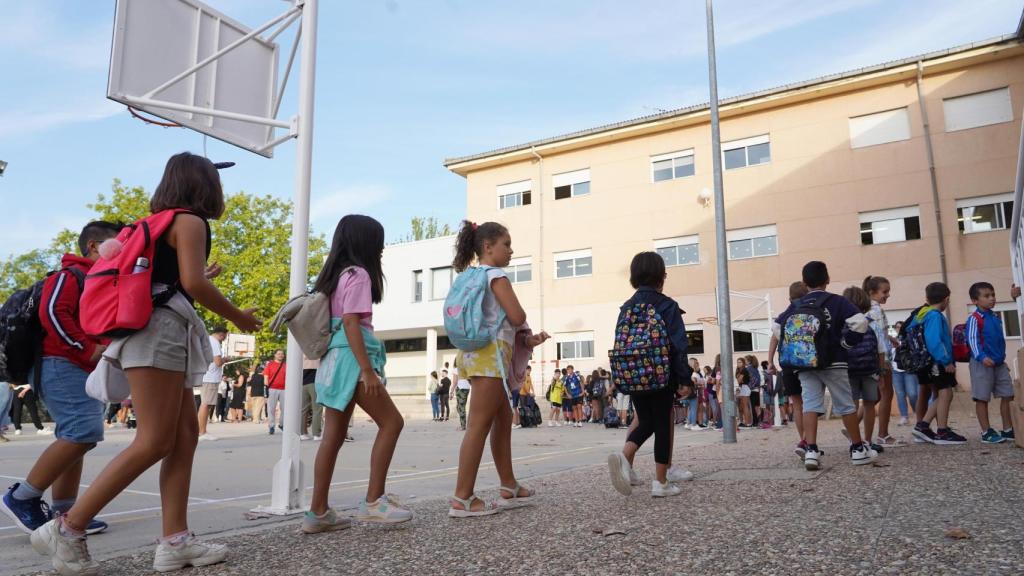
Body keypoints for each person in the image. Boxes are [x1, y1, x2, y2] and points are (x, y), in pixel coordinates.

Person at [31, 152, 261, 575]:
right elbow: (190, 284)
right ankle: (69, 528)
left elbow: (173, 281)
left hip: (148, 332)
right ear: (202, 184)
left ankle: (175, 540)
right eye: (216, 180)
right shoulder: (190, 221)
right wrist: (239, 317)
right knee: (154, 440)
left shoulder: (156, 223)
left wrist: (197, 280)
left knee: (185, 435)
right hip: (159, 335)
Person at [1, 221, 121, 538]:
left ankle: (64, 512)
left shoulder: (97, 279)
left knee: (76, 435)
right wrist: (86, 348)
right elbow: (53, 313)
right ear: (94, 246)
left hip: (75, 365)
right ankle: (22, 497)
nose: (122, 249)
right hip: (59, 362)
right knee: (83, 431)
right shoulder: (70, 275)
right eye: (117, 242)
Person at [305, 214, 413, 533]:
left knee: (332, 437)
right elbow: (352, 322)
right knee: (392, 422)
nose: (381, 249)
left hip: (333, 361)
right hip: (353, 360)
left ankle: (318, 512)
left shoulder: (335, 276)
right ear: (366, 243)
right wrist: (367, 370)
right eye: (378, 243)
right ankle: (373, 501)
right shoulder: (360, 274)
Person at [448, 220, 549, 517]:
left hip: (473, 354)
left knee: (503, 420)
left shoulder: (469, 276)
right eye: (506, 244)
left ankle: (508, 484)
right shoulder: (497, 276)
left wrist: (528, 338)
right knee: (478, 426)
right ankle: (462, 498)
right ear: (488, 247)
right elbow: (517, 315)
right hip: (490, 357)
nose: (511, 250)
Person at [607, 252, 692, 498]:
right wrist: (684, 378)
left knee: (646, 421)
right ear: (661, 277)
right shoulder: (666, 305)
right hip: (660, 374)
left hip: (633, 374)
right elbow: (678, 344)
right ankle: (661, 482)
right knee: (663, 424)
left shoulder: (627, 307)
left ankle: (625, 458)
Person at [776, 261, 873, 470]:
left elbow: (777, 327)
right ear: (827, 279)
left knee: (810, 404)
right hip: (835, 360)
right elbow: (860, 322)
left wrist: (798, 347)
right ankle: (857, 449)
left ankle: (811, 450)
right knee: (846, 404)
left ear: (804, 282)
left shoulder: (797, 304)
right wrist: (846, 343)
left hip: (806, 363)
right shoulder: (837, 301)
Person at [908, 283, 967, 446]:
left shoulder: (921, 314)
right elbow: (934, 341)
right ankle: (941, 431)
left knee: (945, 393)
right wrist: (946, 360)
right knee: (946, 392)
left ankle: (924, 426)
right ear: (946, 299)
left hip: (925, 362)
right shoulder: (934, 315)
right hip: (937, 361)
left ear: (927, 298)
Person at [965, 282, 1015, 444]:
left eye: (993, 295)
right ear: (975, 300)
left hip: (999, 363)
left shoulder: (994, 316)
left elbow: (999, 340)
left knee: (1008, 394)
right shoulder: (974, 318)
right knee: (982, 398)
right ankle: (986, 431)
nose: (992, 298)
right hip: (982, 364)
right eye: (986, 296)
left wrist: (1002, 359)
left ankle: (1008, 429)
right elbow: (972, 340)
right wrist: (981, 356)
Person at [768, 281, 809, 455]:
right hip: (809, 365)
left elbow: (774, 339)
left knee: (797, 405)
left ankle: (804, 440)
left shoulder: (783, 316)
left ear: (789, 297)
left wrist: (770, 361)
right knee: (812, 403)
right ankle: (810, 439)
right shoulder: (811, 312)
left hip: (788, 365)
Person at [842, 286, 884, 456]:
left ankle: (855, 441)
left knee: (850, 405)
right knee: (869, 405)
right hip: (869, 370)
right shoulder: (871, 323)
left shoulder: (841, 324)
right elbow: (880, 349)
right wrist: (881, 371)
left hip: (849, 371)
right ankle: (867, 440)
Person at [864, 276, 902, 448]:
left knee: (874, 396)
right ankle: (883, 435)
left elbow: (878, 332)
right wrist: (884, 360)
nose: (888, 295)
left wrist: (891, 339)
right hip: (881, 359)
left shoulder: (864, 309)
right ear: (872, 292)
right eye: (884, 292)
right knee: (887, 393)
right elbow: (879, 336)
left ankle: (852, 426)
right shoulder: (876, 310)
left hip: (870, 358)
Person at [197, 326, 228, 441]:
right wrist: (225, 359)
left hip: (208, 376)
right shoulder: (214, 343)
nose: (225, 338)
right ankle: (202, 432)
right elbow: (218, 362)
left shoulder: (208, 340)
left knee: (206, 404)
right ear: (221, 334)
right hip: (210, 377)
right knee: (206, 404)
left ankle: (201, 430)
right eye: (225, 336)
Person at [889, 321, 919, 427]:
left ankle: (918, 413)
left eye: (900, 327)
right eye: (897, 327)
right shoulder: (891, 341)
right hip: (895, 370)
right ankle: (904, 416)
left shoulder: (908, 338)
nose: (898, 329)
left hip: (908, 370)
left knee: (912, 393)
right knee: (900, 394)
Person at [264, 350, 287, 435]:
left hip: (284, 389)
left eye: (282, 354)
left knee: (284, 408)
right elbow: (266, 377)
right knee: (271, 409)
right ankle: (271, 426)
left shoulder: (286, 365)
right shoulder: (270, 365)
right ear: (275, 355)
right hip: (272, 389)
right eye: (279, 354)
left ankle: (282, 424)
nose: (281, 355)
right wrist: (266, 389)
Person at [300, 356, 323, 441]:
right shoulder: (316, 353)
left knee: (303, 409)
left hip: (303, 383)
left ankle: (302, 433)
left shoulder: (301, 354)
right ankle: (317, 434)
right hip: (314, 382)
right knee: (317, 409)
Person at [454, 360, 471, 431]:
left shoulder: (456, 369)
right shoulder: (467, 368)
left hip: (460, 389)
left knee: (461, 407)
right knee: (459, 407)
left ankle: (463, 426)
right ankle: (463, 424)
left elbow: (454, 381)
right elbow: (470, 379)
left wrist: (451, 391)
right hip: (466, 388)